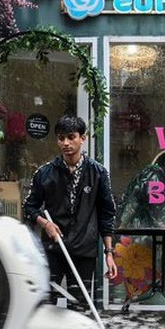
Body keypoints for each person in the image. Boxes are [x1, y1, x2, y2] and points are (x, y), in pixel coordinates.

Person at [22, 115, 118, 310]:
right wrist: (45, 224)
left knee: (81, 307)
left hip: (84, 251)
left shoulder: (98, 173)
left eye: (71, 137)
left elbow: (107, 213)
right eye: (60, 138)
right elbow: (29, 207)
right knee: (46, 306)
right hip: (53, 250)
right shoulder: (45, 173)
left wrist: (109, 253)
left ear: (82, 138)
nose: (65, 143)